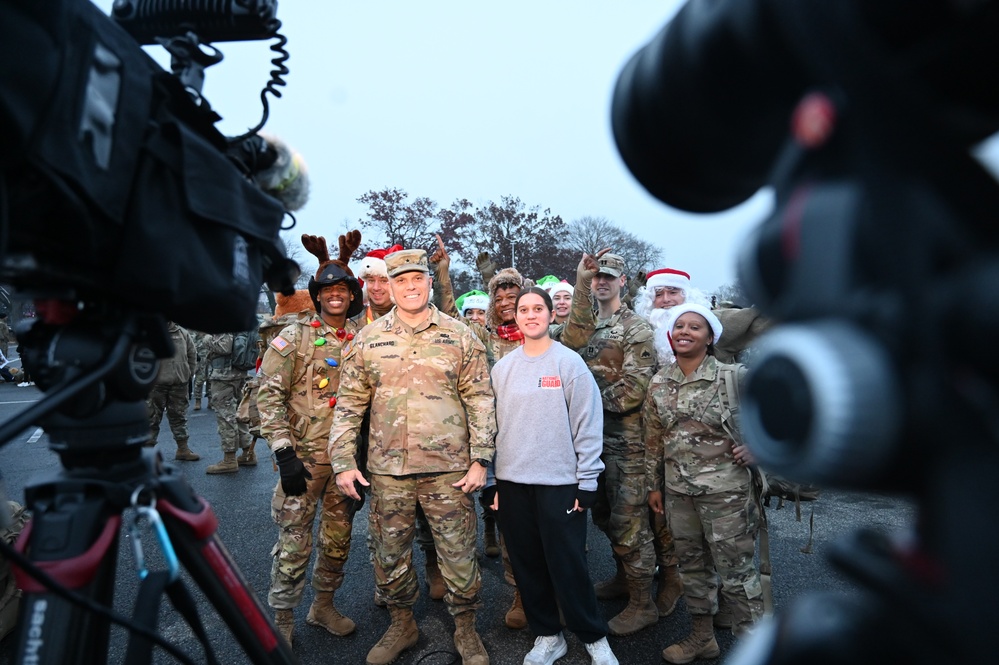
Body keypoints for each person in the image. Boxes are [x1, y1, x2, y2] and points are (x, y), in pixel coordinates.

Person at [329, 248, 496, 665]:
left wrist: (482, 458)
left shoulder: (460, 336)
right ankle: (402, 624)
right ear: (390, 286)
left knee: (459, 556)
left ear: (429, 282)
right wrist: (343, 462)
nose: (409, 287)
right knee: (389, 556)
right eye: (400, 280)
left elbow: (480, 398)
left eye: (417, 278)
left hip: (449, 471)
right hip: (389, 471)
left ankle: (466, 629)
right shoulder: (369, 339)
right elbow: (349, 405)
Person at [490, 286, 619, 665]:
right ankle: (548, 635)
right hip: (513, 485)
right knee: (527, 565)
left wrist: (588, 481)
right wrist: (492, 482)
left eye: (538, 308)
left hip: (560, 485)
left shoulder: (568, 364)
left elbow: (588, 425)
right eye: (523, 309)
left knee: (568, 565)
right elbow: (489, 429)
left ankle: (594, 636)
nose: (530, 315)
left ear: (550, 315)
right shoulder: (503, 369)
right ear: (515, 317)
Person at [257, 232, 365, 646]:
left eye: (342, 290)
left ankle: (323, 607)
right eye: (327, 290)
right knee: (294, 543)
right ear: (317, 295)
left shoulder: (362, 338)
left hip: (346, 464)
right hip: (302, 461)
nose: (335, 296)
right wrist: (283, 452)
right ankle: (282, 619)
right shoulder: (294, 336)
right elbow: (269, 395)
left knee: (337, 540)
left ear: (351, 296)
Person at [644, 303, 763, 664]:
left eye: (695, 327)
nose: (685, 331)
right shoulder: (659, 382)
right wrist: (654, 486)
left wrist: (760, 447)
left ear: (710, 338)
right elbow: (653, 438)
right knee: (693, 569)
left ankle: (757, 649)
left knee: (737, 573)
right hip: (678, 494)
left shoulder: (734, 377)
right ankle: (702, 637)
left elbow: (783, 409)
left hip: (726, 495)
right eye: (679, 326)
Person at [560, 250, 659, 637]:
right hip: (589, 445)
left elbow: (634, 390)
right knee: (603, 517)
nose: (601, 282)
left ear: (622, 282)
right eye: (596, 276)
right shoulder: (582, 325)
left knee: (629, 524)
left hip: (626, 446)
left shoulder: (636, 328)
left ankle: (643, 604)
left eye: (608, 276)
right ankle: (623, 579)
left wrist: (580, 406)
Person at [146, 321, 199, 461]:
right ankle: (147, 452)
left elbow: (192, 354)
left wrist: (188, 374)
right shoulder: (150, 332)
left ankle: (183, 449)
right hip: (156, 384)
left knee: (179, 416)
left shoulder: (182, 332)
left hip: (179, 384)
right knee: (151, 418)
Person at [204, 330, 253, 474]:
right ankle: (248, 453)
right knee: (240, 414)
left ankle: (229, 459)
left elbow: (224, 347)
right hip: (239, 372)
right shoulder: (240, 321)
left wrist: (206, 338)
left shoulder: (223, 322)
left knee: (225, 416)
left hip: (223, 375)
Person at [190, 330, 212, 411]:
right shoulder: (195, 335)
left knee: (210, 381)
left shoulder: (210, 335)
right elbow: (191, 346)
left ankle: (210, 401)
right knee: (198, 382)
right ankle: (198, 401)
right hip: (200, 361)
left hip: (210, 360)